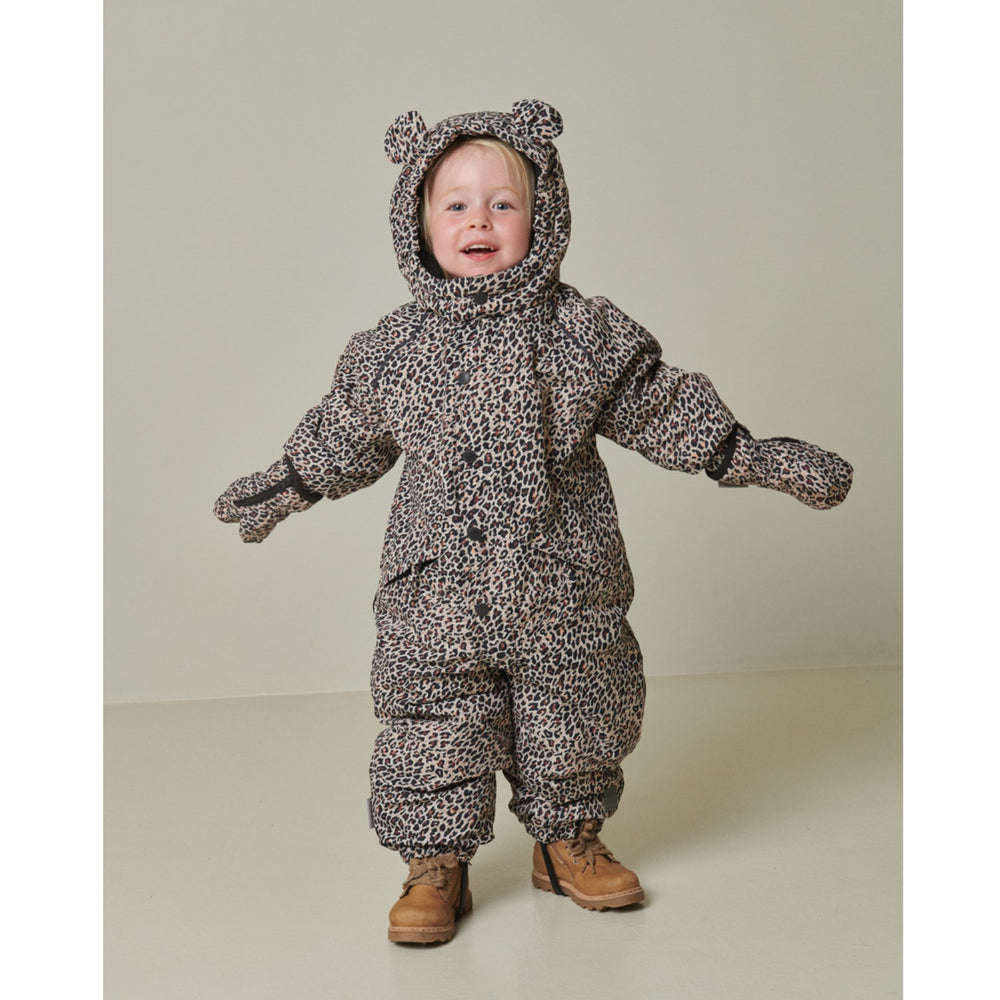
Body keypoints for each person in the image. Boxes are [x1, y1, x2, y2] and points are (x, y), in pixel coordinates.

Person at [214, 99, 852, 945]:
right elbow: (345, 432)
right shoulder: (394, 352)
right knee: (432, 720)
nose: (479, 220)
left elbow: (659, 404)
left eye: (503, 203)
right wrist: (286, 483)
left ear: (542, 215)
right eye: (456, 204)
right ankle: (433, 862)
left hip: (566, 582)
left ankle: (567, 840)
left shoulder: (580, 333)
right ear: (417, 223)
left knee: (580, 707)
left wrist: (752, 456)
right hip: (436, 593)